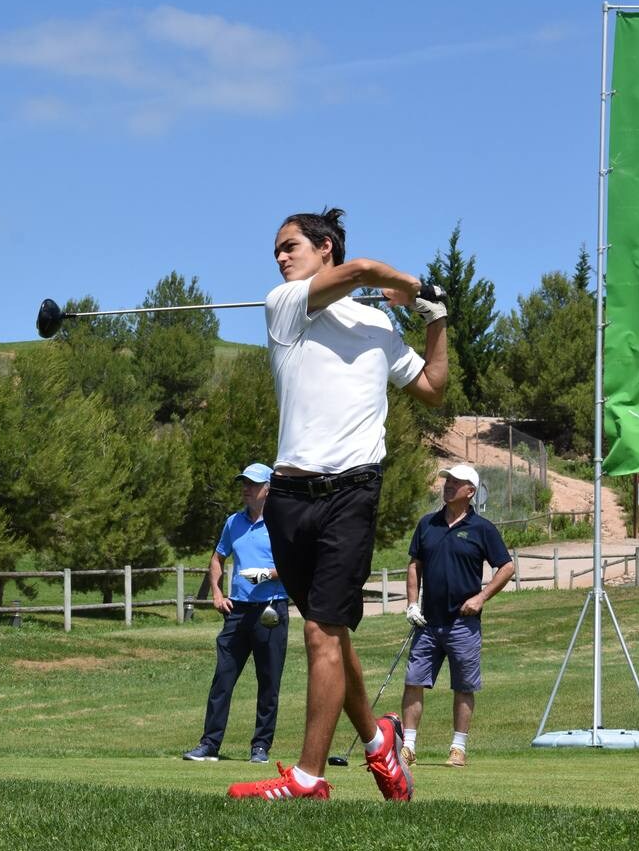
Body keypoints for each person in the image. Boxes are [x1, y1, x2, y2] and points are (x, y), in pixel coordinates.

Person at [227, 207, 448, 802]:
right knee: (333, 635)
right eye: (276, 249)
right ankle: (380, 743)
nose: (279, 257)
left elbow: (431, 388)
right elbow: (367, 269)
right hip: (289, 497)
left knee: (323, 632)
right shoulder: (286, 304)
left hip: (352, 491)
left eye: (290, 246)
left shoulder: (379, 326)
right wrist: (411, 285)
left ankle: (307, 777)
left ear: (324, 247)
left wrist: (435, 317)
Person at [399, 463, 515, 768]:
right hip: (427, 622)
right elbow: (415, 565)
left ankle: (457, 748)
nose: (448, 484)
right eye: (447, 480)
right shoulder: (427, 524)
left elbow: (506, 567)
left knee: (464, 685)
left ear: (470, 492)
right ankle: (408, 747)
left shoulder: (482, 529)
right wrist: (412, 604)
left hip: (463, 623)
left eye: (456, 481)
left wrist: (481, 597)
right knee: (414, 681)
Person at [183, 463, 290, 764]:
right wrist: (217, 593)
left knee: (268, 682)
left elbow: (297, 567)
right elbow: (217, 558)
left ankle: (260, 747)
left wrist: (267, 575)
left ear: (268, 489)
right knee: (223, 679)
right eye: (244, 483)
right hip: (238, 611)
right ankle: (209, 744)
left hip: (272, 609)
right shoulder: (234, 522)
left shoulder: (282, 523)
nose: (246, 488)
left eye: (253, 484)